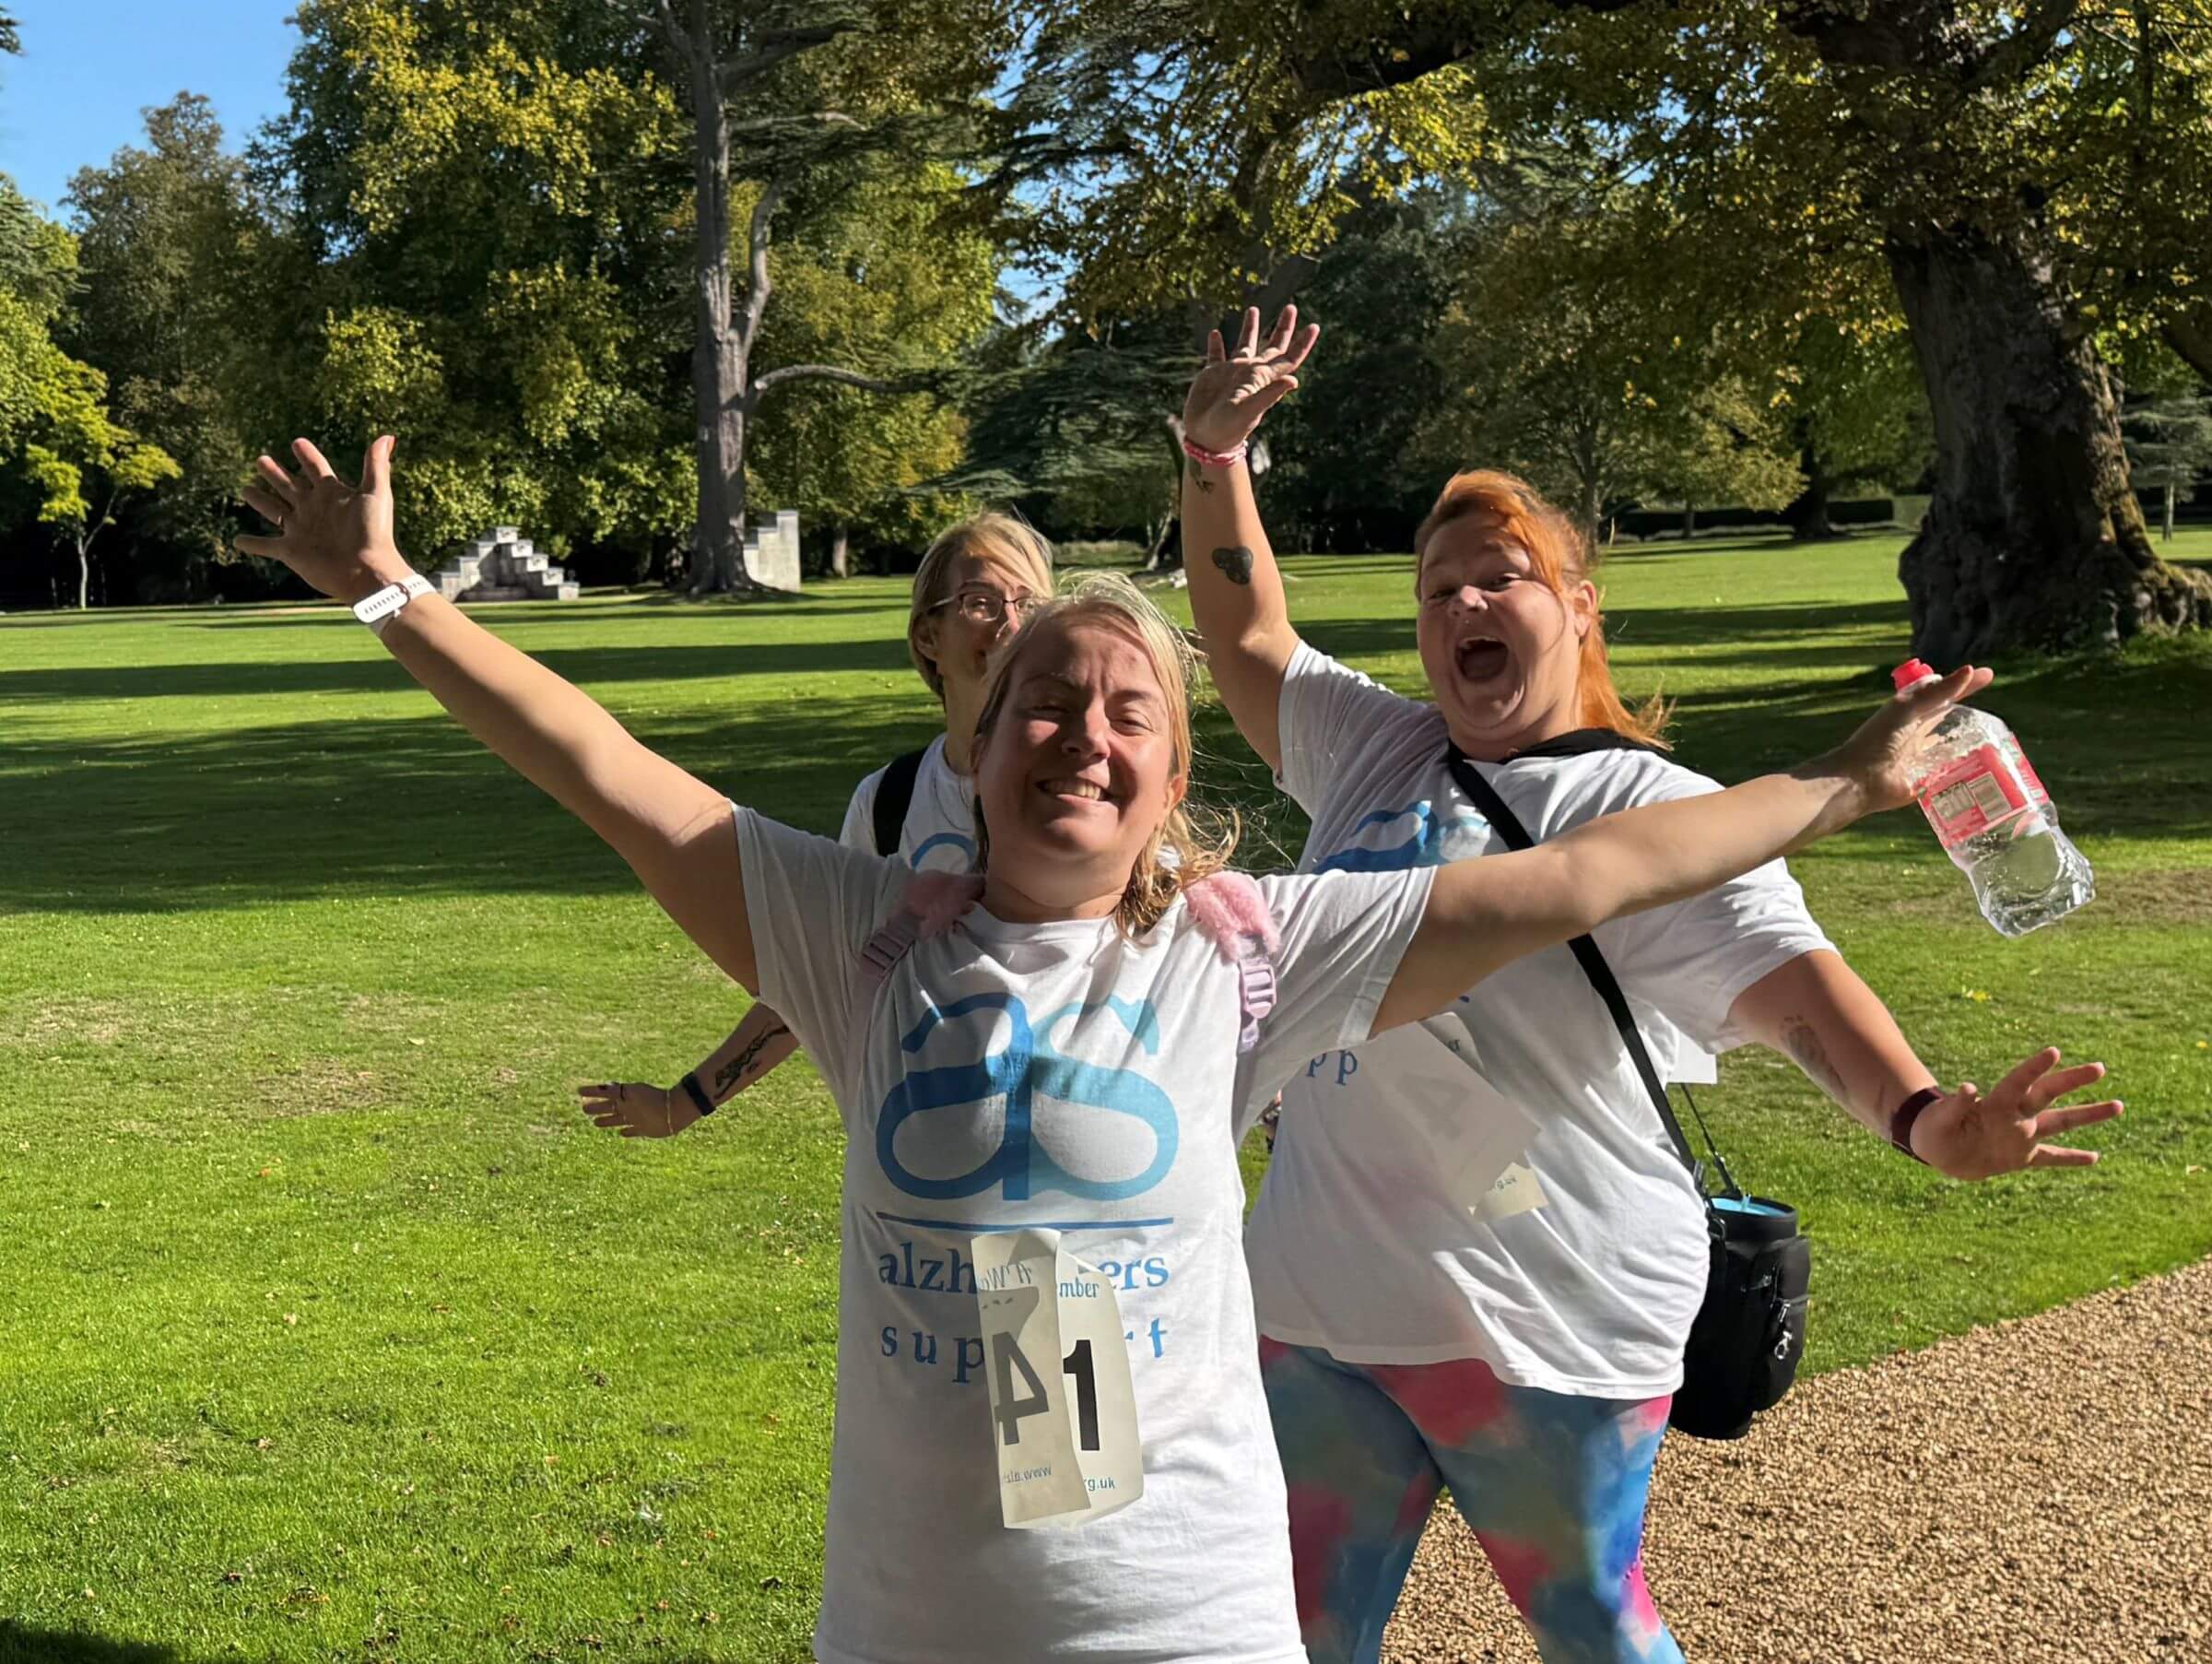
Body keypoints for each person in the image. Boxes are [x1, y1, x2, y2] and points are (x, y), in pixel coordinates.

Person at [240, 432, 1994, 1664]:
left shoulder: (1246, 955)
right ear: (977, 743)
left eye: (1128, 714)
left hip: (1194, 1619)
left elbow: (1596, 869)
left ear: (1170, 783)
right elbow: (599, 764)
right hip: (916, 1626)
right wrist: (389, 592)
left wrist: (1846, 782)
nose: (1083, 733)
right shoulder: (858, 951)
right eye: (1046, 705)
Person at [1174, 306, 2124, 1664]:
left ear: (1576, 605)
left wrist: (1922, 1116)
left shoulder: (1650, 799)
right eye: (1437, 591)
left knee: (1592, 1632)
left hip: (1547, 1325)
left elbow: (1791, 989)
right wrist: (1215, 455)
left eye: (1499, 578)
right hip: (1320, 1310)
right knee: (1288, 1632)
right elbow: (1250, 637)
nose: (1461, 609)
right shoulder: (1376, 751)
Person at [576, 514, 1054, 1137]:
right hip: (919, 1146)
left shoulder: (1089, 792)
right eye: (979, 602)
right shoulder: (890, 801)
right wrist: (685, 1100)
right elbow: (820, 970)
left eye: (1029, 602)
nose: (1011, 623)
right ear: (928, 637)